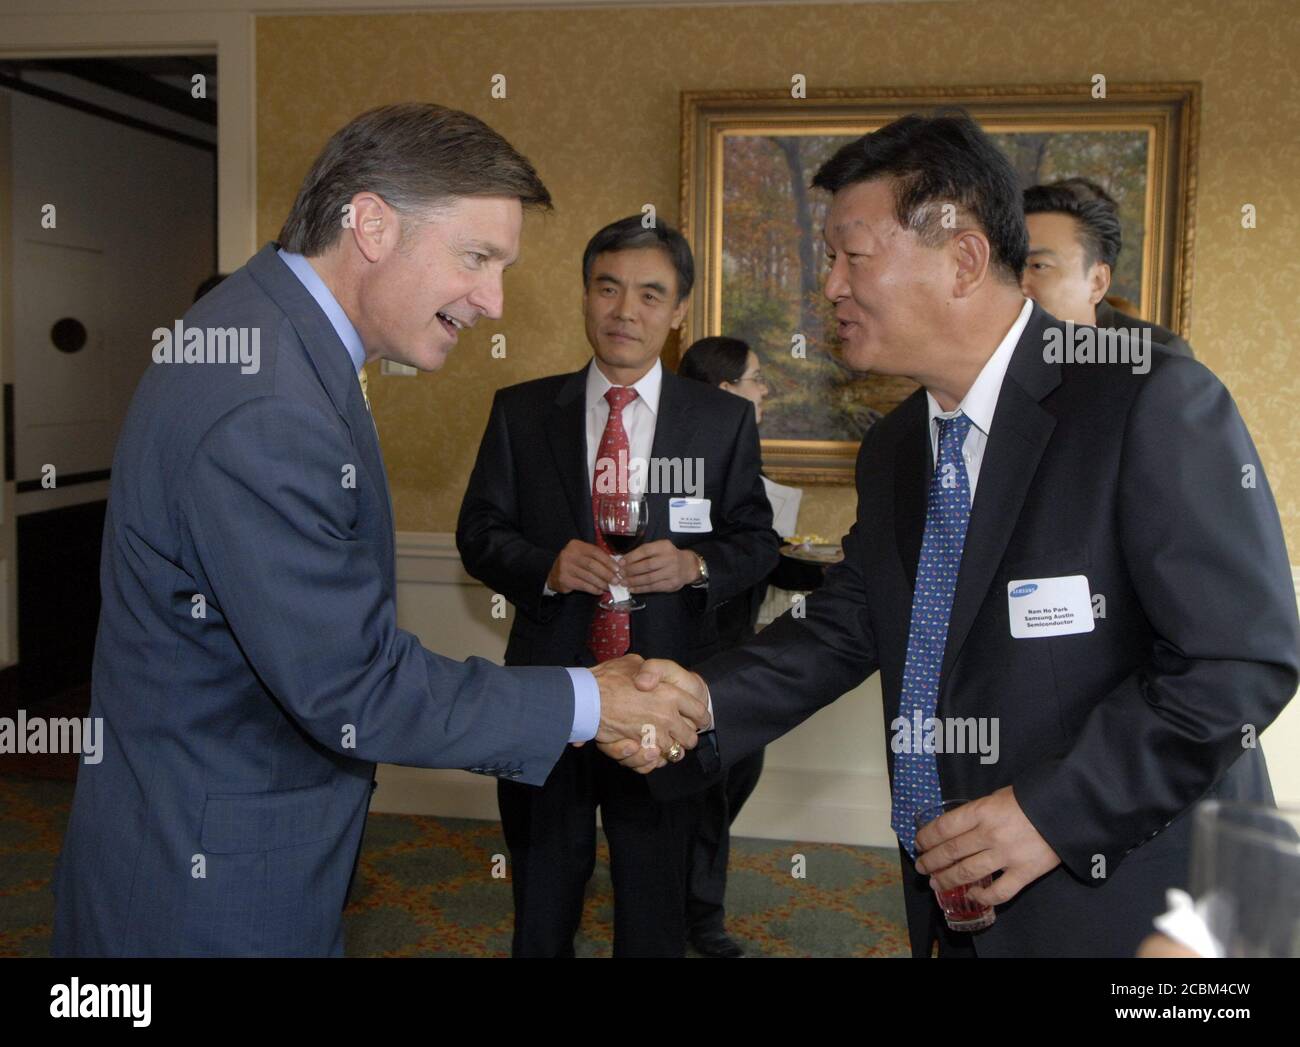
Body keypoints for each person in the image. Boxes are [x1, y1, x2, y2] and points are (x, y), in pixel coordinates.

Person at [610, 111, 1298, 958]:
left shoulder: (1146, 401)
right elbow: (847, 622)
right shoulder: (899, 445)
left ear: (964, 259)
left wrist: (1053, 812)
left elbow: (1238, 661)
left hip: (1142, 912)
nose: (827, 286)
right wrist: (698, 701)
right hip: (954, 902)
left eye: (851, 256)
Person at [52, 104, 705, 957]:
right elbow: (352, 683)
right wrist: (592, 698)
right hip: (205, 887)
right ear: (370, 223)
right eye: (477, 258)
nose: (493, 300)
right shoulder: (266, 400)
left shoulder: (270, 335)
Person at [456, 216, 778, 958]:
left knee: (655, 913)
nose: (624, 310)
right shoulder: (523, 409)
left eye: (649, 293)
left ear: (678, 312)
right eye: (608, 287)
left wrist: (698, 567)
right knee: (540, 909)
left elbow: (757, 541)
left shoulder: (721, 421)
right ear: (585, 295)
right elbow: (479, 531)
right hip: (552, 691)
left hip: (663, 702)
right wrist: (544, 564)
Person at [674, 335, 773, 957]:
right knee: (705, 788)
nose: (765, 390)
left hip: (739, 652)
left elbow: (754, 550)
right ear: (724, 391)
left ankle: (689, 895)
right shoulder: (677, 460)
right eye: (756, 378)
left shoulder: (741, 454)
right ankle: (699, 917)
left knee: (730, 778)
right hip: (693, 655)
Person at [1022, 177, 1194, 356]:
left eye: (1039, 266)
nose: (1016, 284)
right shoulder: (998, 343)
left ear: (1097, 282)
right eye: (1008, 265)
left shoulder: (1155, 352)